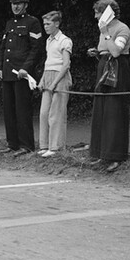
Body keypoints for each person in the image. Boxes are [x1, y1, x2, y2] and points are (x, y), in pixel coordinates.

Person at [0, 0, 43, 156]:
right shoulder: (9, 23)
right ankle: (12, 143)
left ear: (26, 4)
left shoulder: (33, 23)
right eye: (13, 3)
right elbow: (3, 48)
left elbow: (36, 50)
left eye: (19, 3)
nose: (15, 6)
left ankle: (26, 145)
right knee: (9, 111)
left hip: (22, 75)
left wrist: (25, 69)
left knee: (22, 110)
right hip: (7, 73)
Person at [86, 0, 130, 173]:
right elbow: (107, 51)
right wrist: (97, 53)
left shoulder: (122, 29)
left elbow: (116, 52)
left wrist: (105, 33)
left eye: (98, 13)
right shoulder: (103, 30)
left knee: (114, 111)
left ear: (108, 13)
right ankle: (101, 153)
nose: (96, 16)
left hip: (118, 70)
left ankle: (115, 156)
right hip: (104, 67)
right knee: (101, 110)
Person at [37, 11, 72, 158]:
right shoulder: (48, 40)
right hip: (48, 76)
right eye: (44, 24)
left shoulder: (65, 40)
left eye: (48, 24)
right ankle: (44, 145)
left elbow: (66, 65)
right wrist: (42, 80)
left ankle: (55, 147)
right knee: (44, 113)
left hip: (60, 77)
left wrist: (54, 83)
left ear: (56, 24)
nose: (45, 26)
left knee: (56, 114)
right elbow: (48, 62)